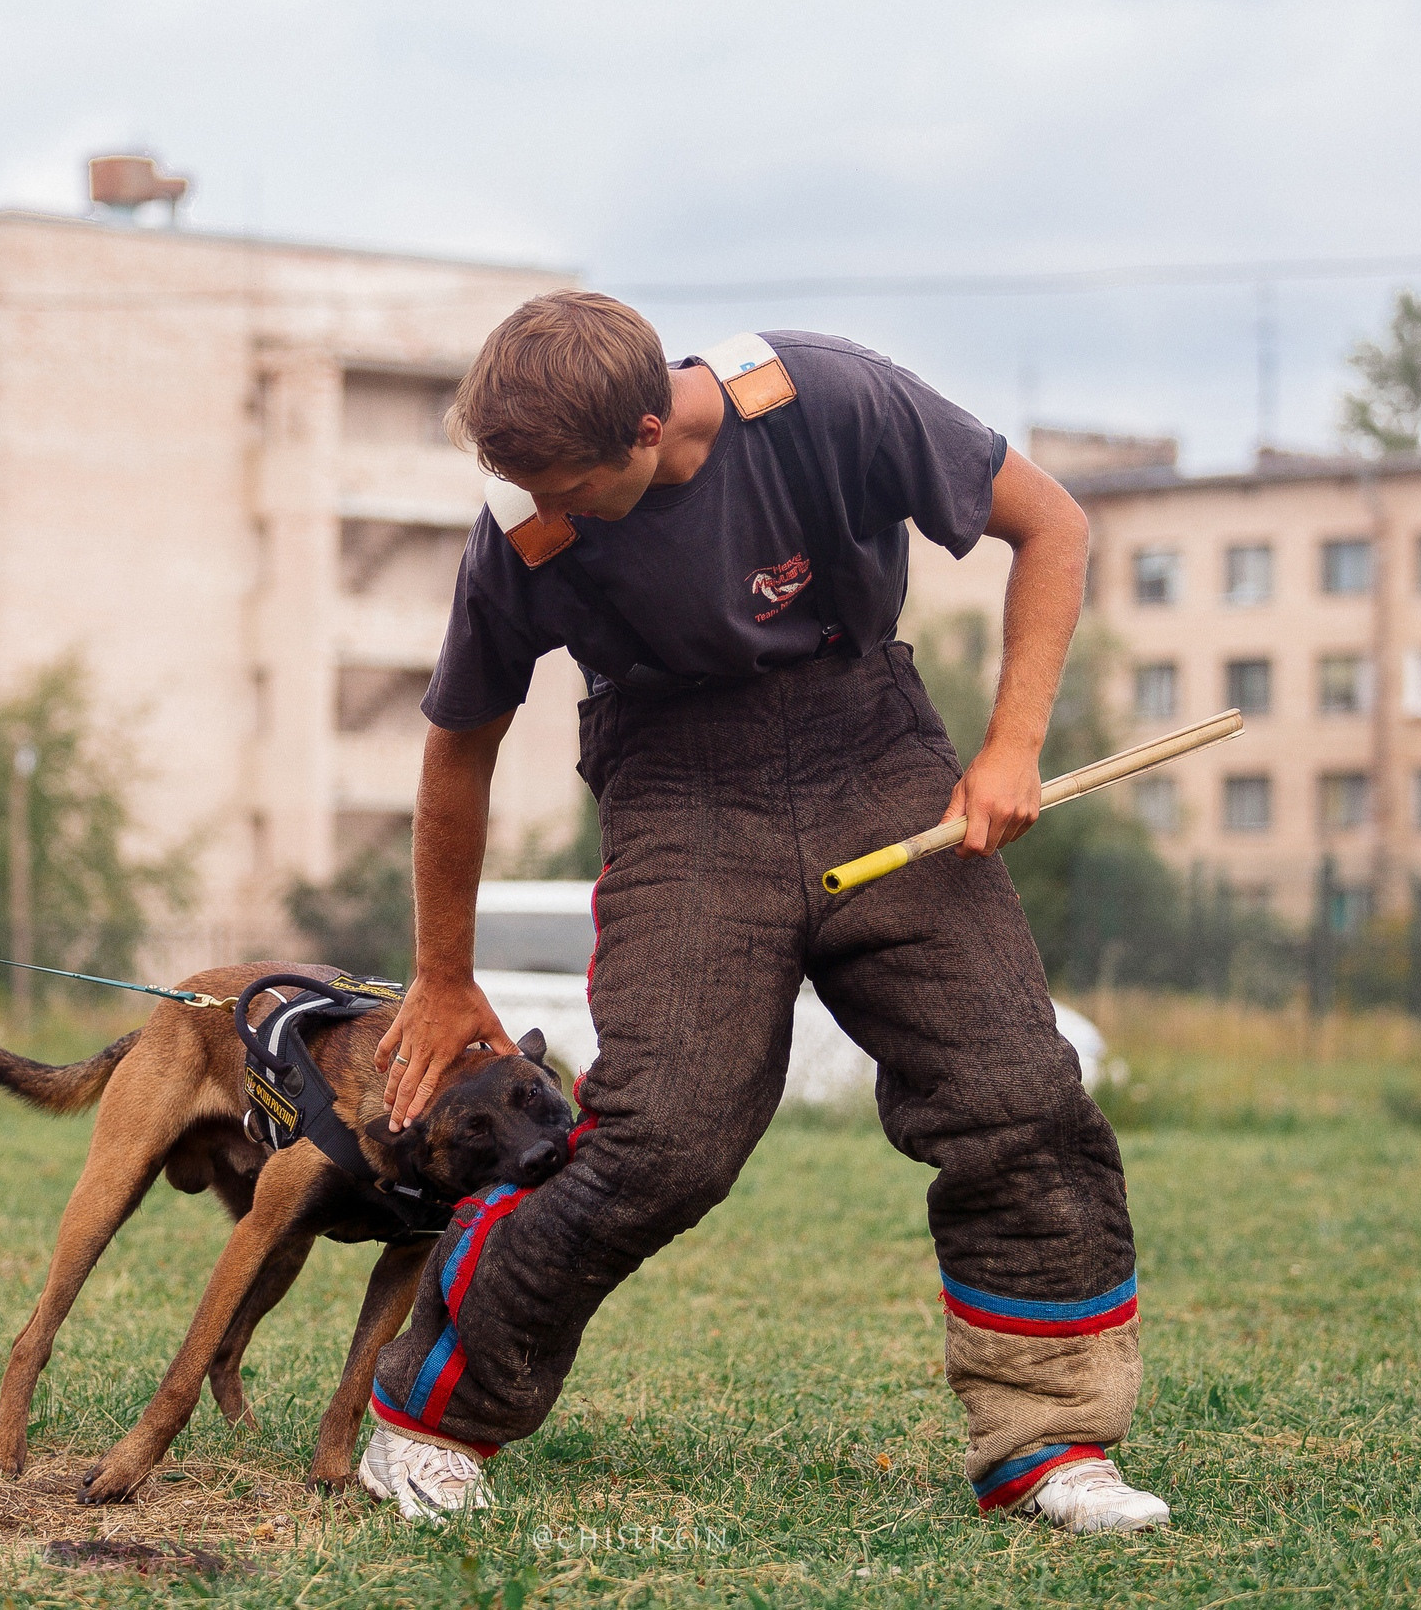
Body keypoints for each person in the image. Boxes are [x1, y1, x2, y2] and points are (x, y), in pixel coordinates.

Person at [358, 292, 1165, 1534]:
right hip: (679, 786)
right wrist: (443, 970)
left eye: (569, 486)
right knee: (660, 1142)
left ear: (646, 428)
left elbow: (1051, 522)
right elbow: (458, 744)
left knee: (1018, 1098)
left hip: (873, 749)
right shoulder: (519, 523)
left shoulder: (830, 399)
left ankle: (1051, 1448)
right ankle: (432, 1420)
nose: (544, 513)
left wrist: (1011, 748)